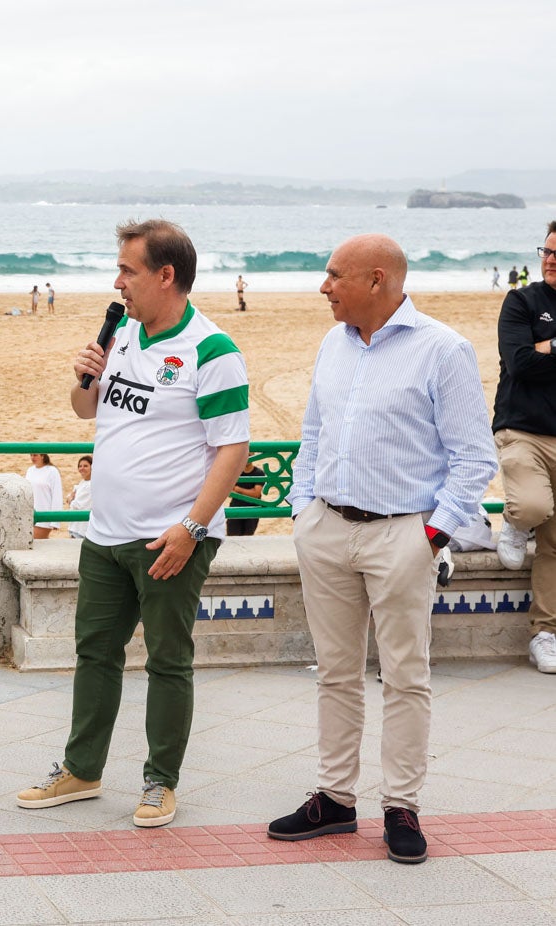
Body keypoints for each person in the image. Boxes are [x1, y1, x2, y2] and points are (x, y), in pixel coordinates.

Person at [267, 234, 496, 864]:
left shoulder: (442, 349)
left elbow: (475, 457)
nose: (323, 286)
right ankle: (336, 799)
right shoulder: (331, 345)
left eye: (334, 275)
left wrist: (430, 534)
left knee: (405, 676)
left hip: (404, 532)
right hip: (328, 528)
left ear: (376, 280)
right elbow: (311, 435)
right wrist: (302, 509)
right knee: (335, 671)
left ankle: (402, 806)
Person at [16, 219, 249, 828]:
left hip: (170, 538)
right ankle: (82, 770)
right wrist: (82, 377)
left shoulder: (211, 350)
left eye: (128, 270)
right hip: (106, 532)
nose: (117, 281)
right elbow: (89, 412)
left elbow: (232, 451)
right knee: (95, 651)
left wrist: (192, 529)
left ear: (165, 276)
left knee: (168, 660)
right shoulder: (122, 335)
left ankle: (159, 782)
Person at [491, 221, 556, 674]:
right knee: (534, 508)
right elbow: (520, 362)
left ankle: (545, 633)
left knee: (555, 544)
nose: (550, 259)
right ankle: (516, 524)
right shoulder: (521, 300)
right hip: (523, 430)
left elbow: (539, 358)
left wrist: (547, 348)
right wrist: (539, 352)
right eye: (547, 250)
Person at [26, 453, 62, 539]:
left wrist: (55, 520)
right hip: (29, 515)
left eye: (35, 455)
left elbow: (57, 495)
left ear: (42, 456)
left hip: (44, 516)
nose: (32, 457)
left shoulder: (52, 471)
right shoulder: (30, 470)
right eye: (31, 455)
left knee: (35, 543)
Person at [226, 458, 264, 536]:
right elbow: (228, 491)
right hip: (236, 508)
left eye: (249, 455)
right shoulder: (236, 472)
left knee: (247, 538)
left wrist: (238, 490)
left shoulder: (258, 473)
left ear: (253, 455)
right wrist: (249, 491)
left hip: (252, 510)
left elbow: (256, 493)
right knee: (232, 537)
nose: (247, 457)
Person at [66, 454, 93, 540]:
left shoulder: (90, 485)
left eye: (85, 466)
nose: (82, 468)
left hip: (82, 530)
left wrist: (71, 499)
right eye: (80, 466)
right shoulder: (83, 482)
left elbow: (77, 505)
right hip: (75, 527)